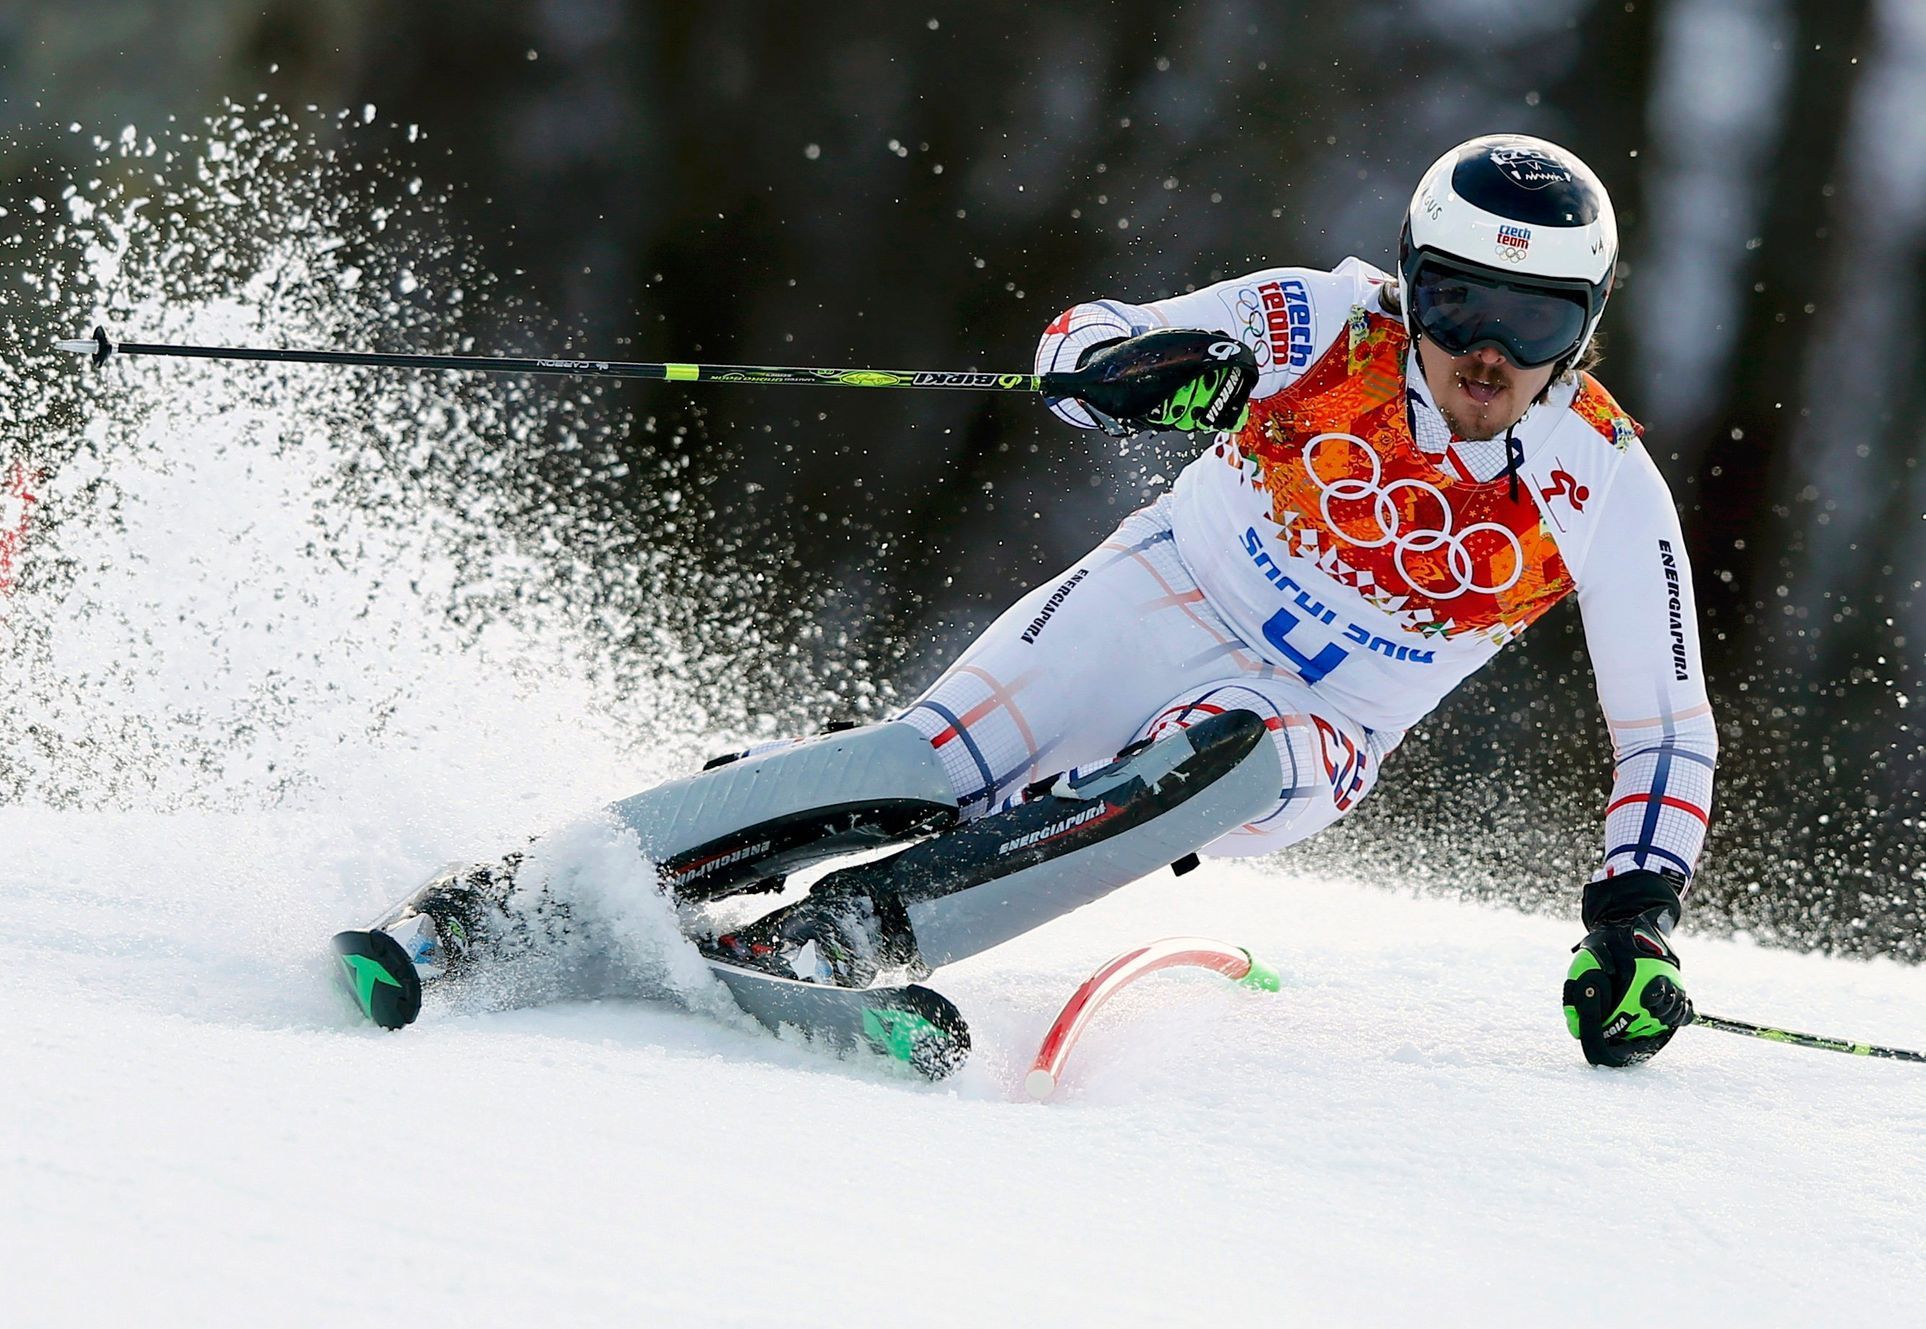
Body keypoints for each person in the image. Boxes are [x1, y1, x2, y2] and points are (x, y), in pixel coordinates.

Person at [343, 133, 1715, 1068]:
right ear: (1410, 281)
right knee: (925, 767)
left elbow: (1664, 727)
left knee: (1230, 756)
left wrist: (1632, 919)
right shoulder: (1323, 323)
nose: (1486, 350)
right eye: (1462, 300)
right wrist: (1139, 368)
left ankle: (843, 934)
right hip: (1165, 590)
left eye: (1533, 321)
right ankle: (511, 892)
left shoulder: (1601, 482)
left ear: (1581, 327)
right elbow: (1079, 339)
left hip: (1320, 716)